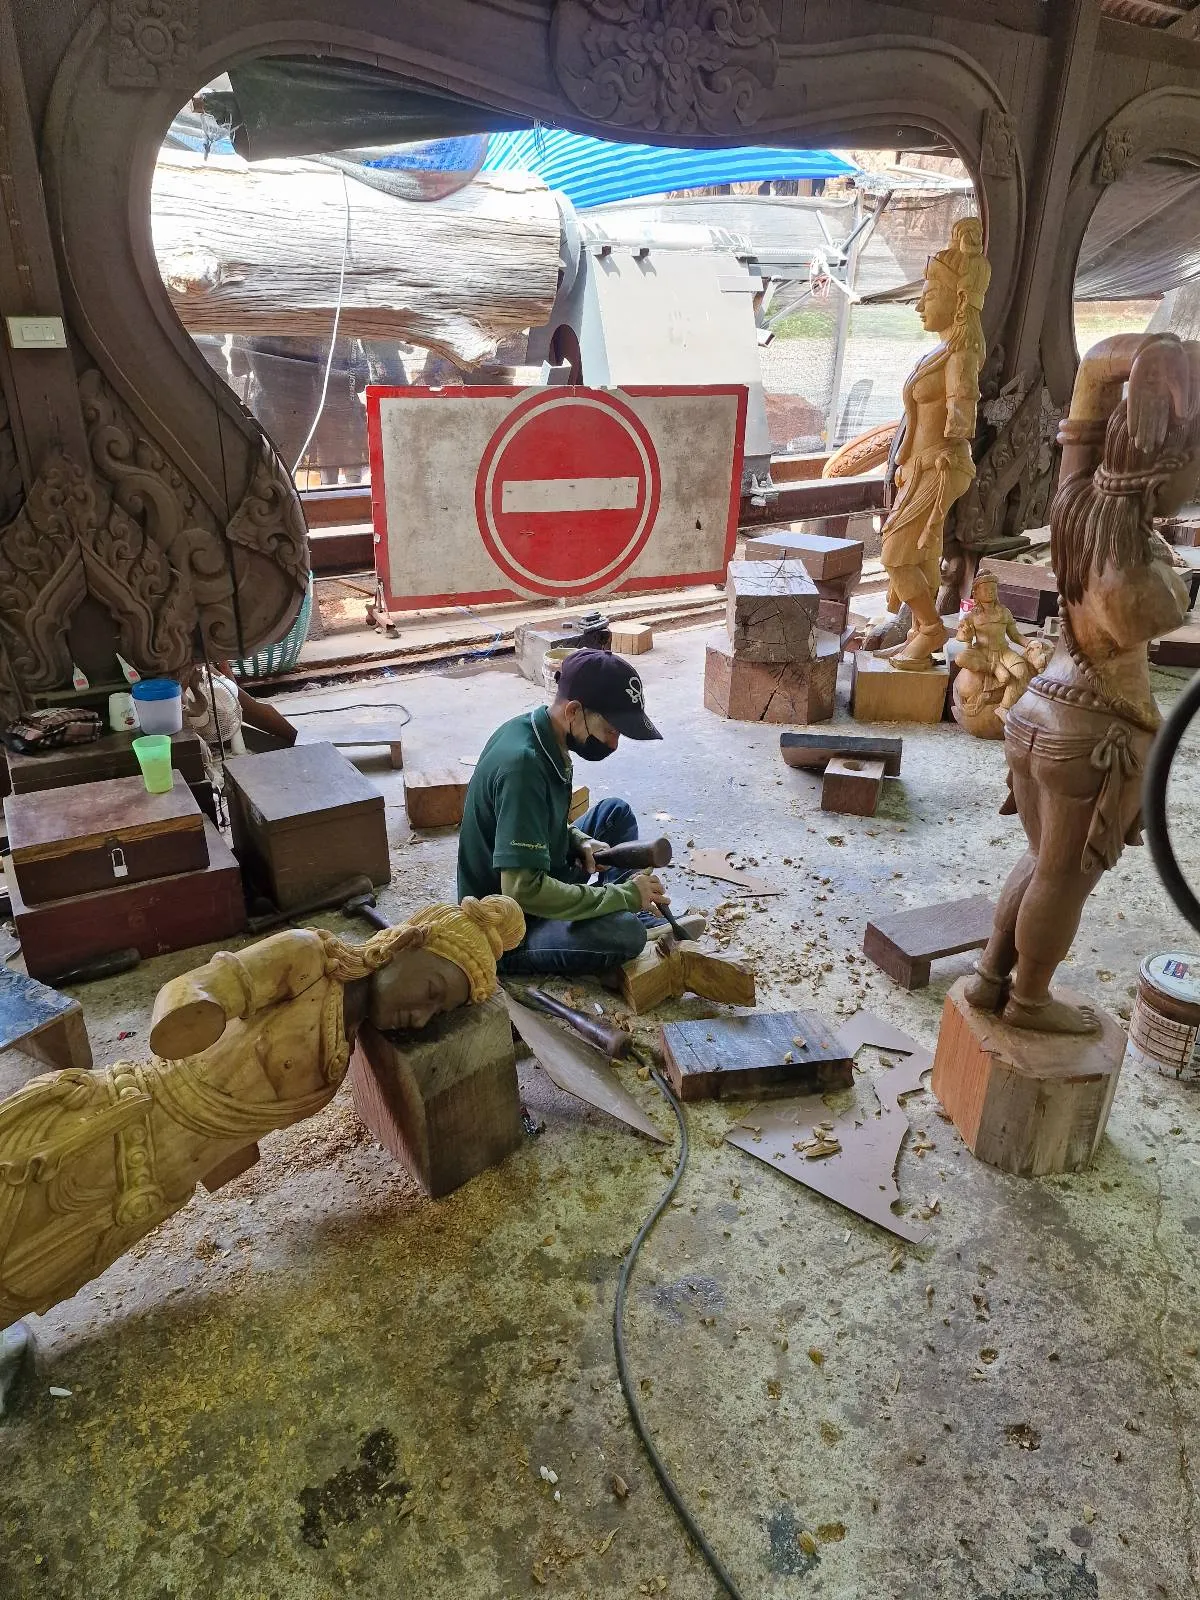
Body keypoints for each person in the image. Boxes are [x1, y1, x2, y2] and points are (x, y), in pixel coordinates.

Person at [0, 895, 526, 1326]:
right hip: (122, 1124)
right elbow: (197, 986)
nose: (423, 1015)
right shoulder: (308, 961)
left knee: (35, 1276)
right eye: (431, 990)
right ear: (402, 945)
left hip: (159, 1187)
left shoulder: (347, 1044)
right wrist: (196, 1007)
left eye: (440, 1011)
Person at [457, 649, 669, 977]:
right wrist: (622, 897)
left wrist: (579, 840)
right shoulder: (523, 766)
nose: (614, 745)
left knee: (616, 813)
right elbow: (521, 891)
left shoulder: (540, 733)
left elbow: (541, 820)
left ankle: (628, 907)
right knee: (625, 936)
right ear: (573, 711)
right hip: (509, 927)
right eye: (610, 730)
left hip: (539, 872)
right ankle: (627, 910)